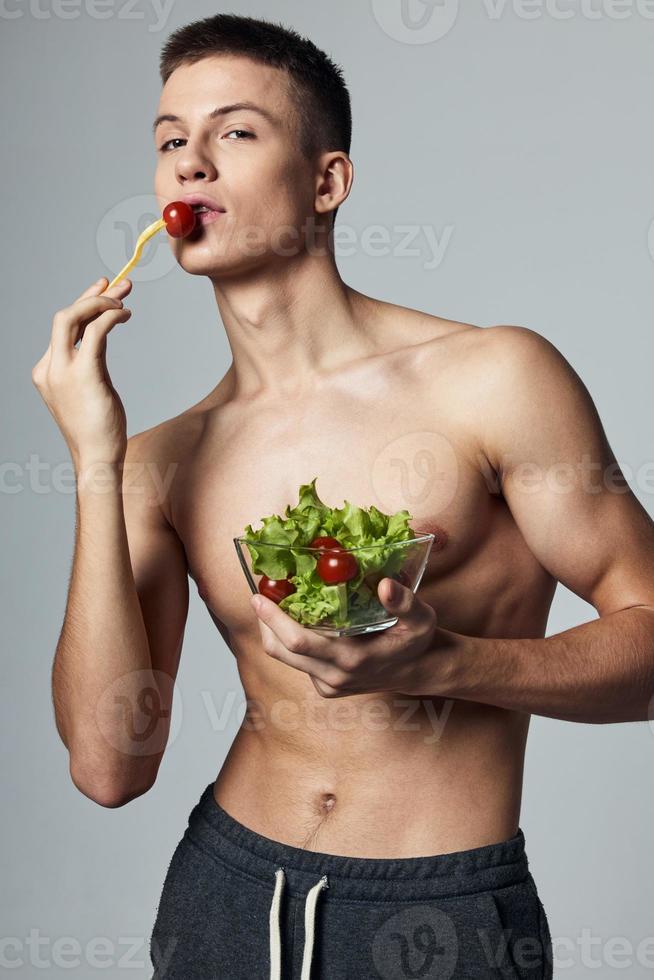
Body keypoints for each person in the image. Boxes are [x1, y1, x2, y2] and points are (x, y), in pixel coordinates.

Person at [31, 12, 654, 980]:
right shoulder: (163, 459)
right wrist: (95, 458)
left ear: (327, 182)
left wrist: (447, 660)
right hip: (224, 894)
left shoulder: (494, 379)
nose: (190, 163)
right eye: (168, 142)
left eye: (235, 132)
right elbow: (109, 767)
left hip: (438, 913)